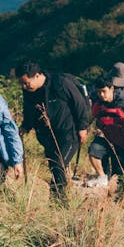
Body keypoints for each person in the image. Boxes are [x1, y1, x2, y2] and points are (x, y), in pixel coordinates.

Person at [15, 61, 91, 201]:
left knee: (59, 164)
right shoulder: (29, 92)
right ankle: (60, 197)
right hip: (47, 136)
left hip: (69, 133)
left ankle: (59, 200)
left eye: (26, 83)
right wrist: (25, 127)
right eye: (22, 84)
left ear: (37, 75)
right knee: (54, 165)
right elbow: (29, 112)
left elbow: (79, 103)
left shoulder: (60, 83)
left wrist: (82, 127)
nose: (24, 87)